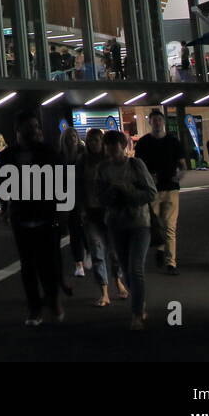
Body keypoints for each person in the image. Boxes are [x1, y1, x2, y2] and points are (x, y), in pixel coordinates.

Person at [0, 111, 63, 326]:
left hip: (46, 215)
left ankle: (52, 298)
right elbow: (1, 185)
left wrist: (61, 210)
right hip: (21, 217)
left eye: (37, 127)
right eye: (31, 128)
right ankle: (34, 309)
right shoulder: (7, 155)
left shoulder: (48, 152)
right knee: (27, 266)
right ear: (19, 131)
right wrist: (0, 208)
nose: (36, 131)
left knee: (49, 264)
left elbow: (61, 180)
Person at [97, 129, 158, 330]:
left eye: (116, 148)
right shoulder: (103, 169)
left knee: (135, 267)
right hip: (116, 223)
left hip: (140, 222)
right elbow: (100, 197)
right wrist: (111, 194)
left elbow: (150, 192)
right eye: (109, 148)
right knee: (126, 269)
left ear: (124, 147)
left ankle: (137, 314)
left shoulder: (135, 165)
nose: (113, 153)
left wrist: (127, 191)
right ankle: (139, 303)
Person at [80, 128, 128, 307]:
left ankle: (118, 281)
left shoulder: (109, 161)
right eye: (91, 140)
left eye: (98, 140)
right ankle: (104, 291)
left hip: (110, 211)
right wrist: (81, 209)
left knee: (114, 251)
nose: (94, 143)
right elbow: (78, 186)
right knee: (97, 251)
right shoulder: (82, 161)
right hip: (91, 212)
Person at [135, 110, 184, 275]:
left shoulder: (173, 141)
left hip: (171, 189)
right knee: (153, 225)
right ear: (150, 122)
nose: (157, 122)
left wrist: (179, 176)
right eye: (154, 120)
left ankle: (171, 263)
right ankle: (161, 248)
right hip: (152, 191)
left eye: (159, 120)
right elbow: (137, 166)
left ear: (163, 122)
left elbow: (183, 164)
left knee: (170, 226)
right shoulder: (143, 143)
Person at [60, 127, 87, 279]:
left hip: (83, 196)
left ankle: (89, 252)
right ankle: (79, 263)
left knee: (86, 229)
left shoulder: (83, 153)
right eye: (69, 136)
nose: (72, 139)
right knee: (74, 230)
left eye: (74, 136)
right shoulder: (60, 156)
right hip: (67, 197)